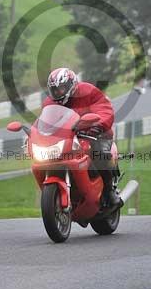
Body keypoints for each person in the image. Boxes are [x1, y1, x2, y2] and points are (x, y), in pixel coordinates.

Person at [43, 67, 121, 208]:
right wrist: (37, 133)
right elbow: (45, 122)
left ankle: (109, 191)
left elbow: (104, 109)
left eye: (61, 88)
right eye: (54, 90)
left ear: (71, 85)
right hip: (69, 137)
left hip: (96, 133)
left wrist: (98, 125)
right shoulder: (49, 103)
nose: (58, 92)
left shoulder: (88, 91)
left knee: (100, 154)